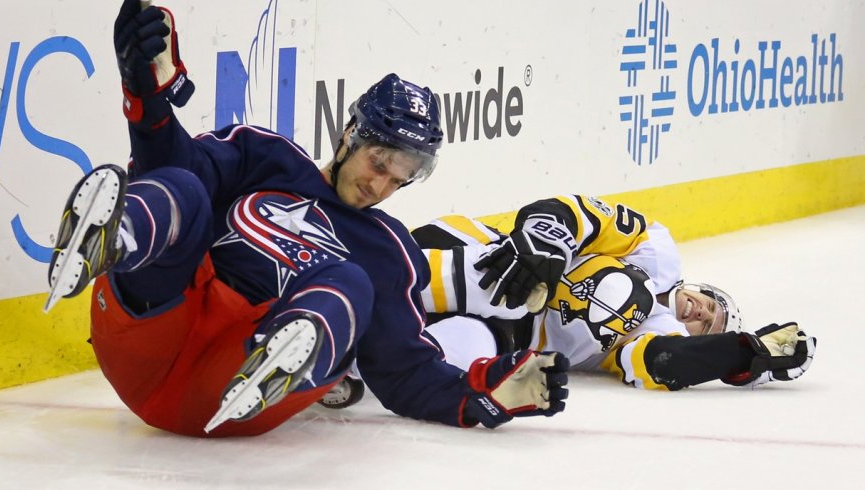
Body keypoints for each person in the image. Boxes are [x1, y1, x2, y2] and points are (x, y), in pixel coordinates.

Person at [43, 0, 568, 437]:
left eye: (399, 179)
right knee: (181, 187)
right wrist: (149, 100)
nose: (379, 185)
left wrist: (484, 393)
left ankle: (282, 356)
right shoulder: (264, 156)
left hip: (227, 391)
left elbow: (405, 373)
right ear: (349, 136)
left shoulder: (389, 251)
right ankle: (114, 238)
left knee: (350, 282)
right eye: (379, 162)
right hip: (149, 328)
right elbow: (171, 166)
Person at [320, 194, 816, 407]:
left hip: (505, 333)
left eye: (709, 325)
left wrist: (744, 352)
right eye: (711, 303)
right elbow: (575, 212)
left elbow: (669, 362)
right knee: (399, 277)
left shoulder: (652, 332)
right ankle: (310, 280)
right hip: (492, 256)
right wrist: (544, 239)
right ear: (699, 285)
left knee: (460, 353)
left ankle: (340, 360)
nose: (703, 314)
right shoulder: (657, 249)